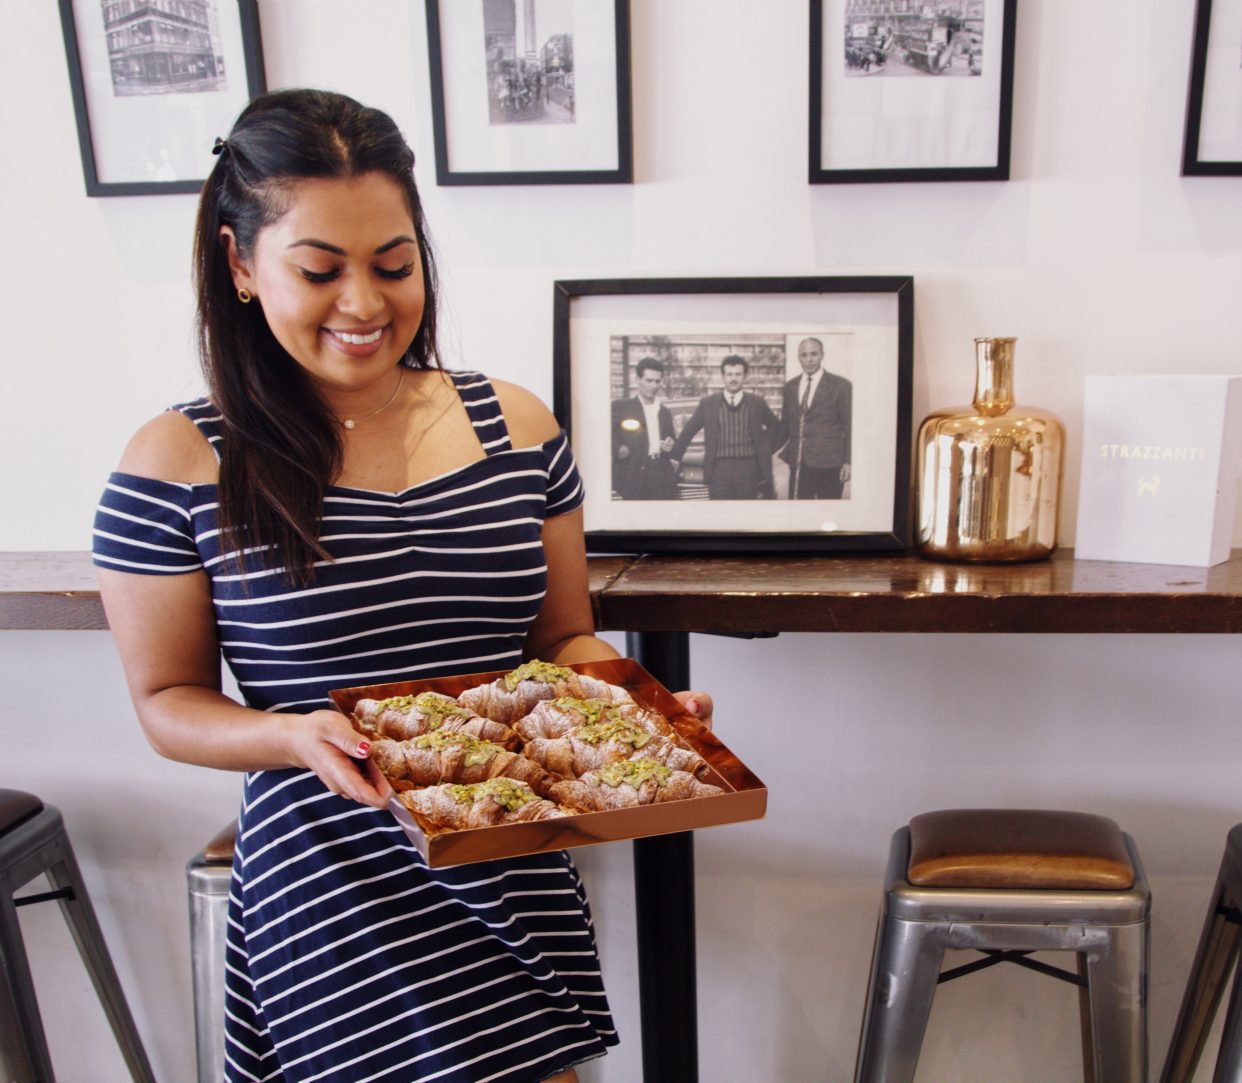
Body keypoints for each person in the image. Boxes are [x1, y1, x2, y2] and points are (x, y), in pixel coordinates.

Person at [91, 89, 709, 1083]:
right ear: (241, 263)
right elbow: (168, 704)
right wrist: (292, 735)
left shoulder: (516, 426)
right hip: (333, 888)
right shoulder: (178, 461)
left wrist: (637, 712)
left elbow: (563, 641)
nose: (365, 305)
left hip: (507, 866)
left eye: (394, 264)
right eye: (320, 270)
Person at [669, 355, 781, 499]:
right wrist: (674, 458)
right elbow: (688, 432)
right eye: (729, 374)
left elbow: (776, 427)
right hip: (719, 468)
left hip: (748, 468)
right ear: (723, 376)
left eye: (738, 374)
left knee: (746, 512)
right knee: (720, 513)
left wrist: (764, 449)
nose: (733, 378)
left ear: (744, 376)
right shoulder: (708, 404)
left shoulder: (756, 403)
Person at [779, 337, 852, 499]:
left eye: (814, 354)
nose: (809, 359)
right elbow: (785, 426)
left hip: (830, 464)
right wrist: (759, 449)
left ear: (822, 355)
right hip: (799, 464)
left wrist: (848, 461)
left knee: (829, 515)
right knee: (799, 516)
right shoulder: (790, 387)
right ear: (799, 357)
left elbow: (850, 427)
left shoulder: (841, 386)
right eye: (804, 355)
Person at [610, 356, 678, 499]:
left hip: (661, 474)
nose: (653, 386)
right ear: (638, 380)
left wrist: (670, 444)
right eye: (649, 380)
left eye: (657, 381)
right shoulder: (621, 407)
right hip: (633, 475)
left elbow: (671, 438)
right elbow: (602, 435)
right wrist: (618, 449)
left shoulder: (664, 411)